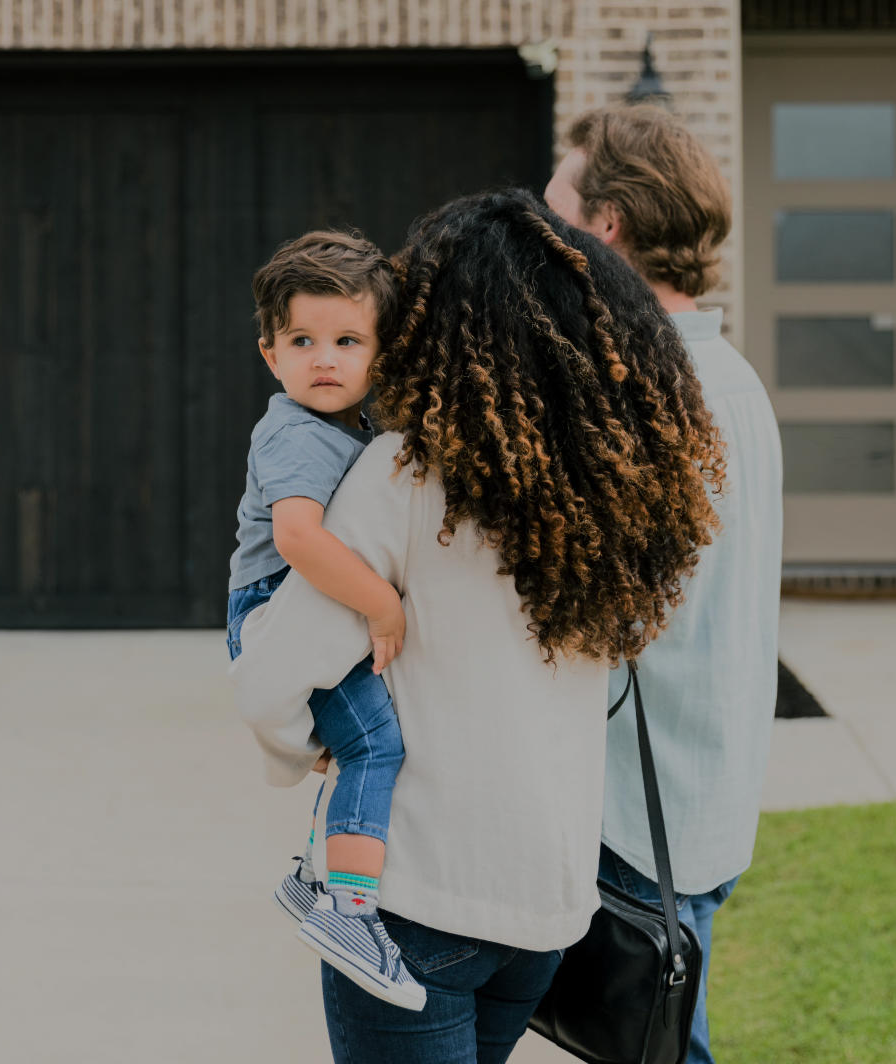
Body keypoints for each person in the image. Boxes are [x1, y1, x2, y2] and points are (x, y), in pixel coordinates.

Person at [231, 187, 725, 1064]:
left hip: (420, 897)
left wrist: (301, 749)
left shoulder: (404, 472)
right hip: (546, 905)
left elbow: (277, 675)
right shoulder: (608, 481)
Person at [544, 104, 784, 1064]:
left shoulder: (647, 388)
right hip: (695, 795)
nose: (540, 227)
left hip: (642, 817)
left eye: (555, 206)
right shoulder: (731, 377)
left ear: (606, 225)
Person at [225, 230, 423, 1009]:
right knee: (376, 746)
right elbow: (298, 538)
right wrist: (383, 603)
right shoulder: (298, 434)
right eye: (303, 341)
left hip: (294, 606)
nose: (326, 359)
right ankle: (349, 910)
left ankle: (315, 878)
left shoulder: (343, 428)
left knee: (354, 747)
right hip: (282, 610)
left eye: (348, 341)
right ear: (271, 354)